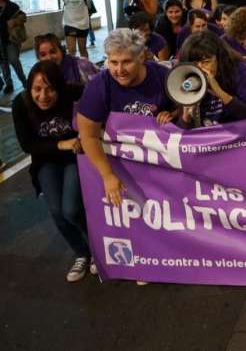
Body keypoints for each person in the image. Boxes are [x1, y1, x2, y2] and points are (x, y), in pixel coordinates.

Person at [76, 29, 176, 209]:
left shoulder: (162, 76)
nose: (119, 70)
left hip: (160, 162)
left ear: (142, 57)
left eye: (126, 62)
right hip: (123, 165)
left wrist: (172, 115)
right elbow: (87, 135)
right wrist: (107, 175)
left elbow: (185, 106)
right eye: (113, 62)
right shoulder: (101, 84)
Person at [12, 61, 92, 282]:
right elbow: (27, 145)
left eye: (50, 89)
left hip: (75, 158)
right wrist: (61, 144)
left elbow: (98, 103)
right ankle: (81, 253)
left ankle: (97, 249)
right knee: (57, 211)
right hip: (46, 160)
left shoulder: (75, 92)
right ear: (29, 89)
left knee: (72, 209)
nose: (43, 96)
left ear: (60, 86)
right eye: (37, 89)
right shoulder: (20, 104)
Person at [178, 31, 246, 126]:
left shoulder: (239, 71)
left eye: (206, 62)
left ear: (219, 59)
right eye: (194, 64)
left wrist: (220, 92)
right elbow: (182, 134)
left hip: (237, 138)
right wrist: (185, 118)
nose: (200, 69)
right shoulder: (186, 79)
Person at [34, 33, 99, 85]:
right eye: (43, 55)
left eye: (53, 52)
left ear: (61, 51)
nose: (49, 58)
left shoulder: (82, 65)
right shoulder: (40, 76)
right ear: (38, 58)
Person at [0, 0, 27, 93]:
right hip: (0, 41)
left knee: (13, 60)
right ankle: (8, 84)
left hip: (11, 40)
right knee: (3, 63)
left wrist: (15, 21)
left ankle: (24, 81)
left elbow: (23, 17)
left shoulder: (12, 6)